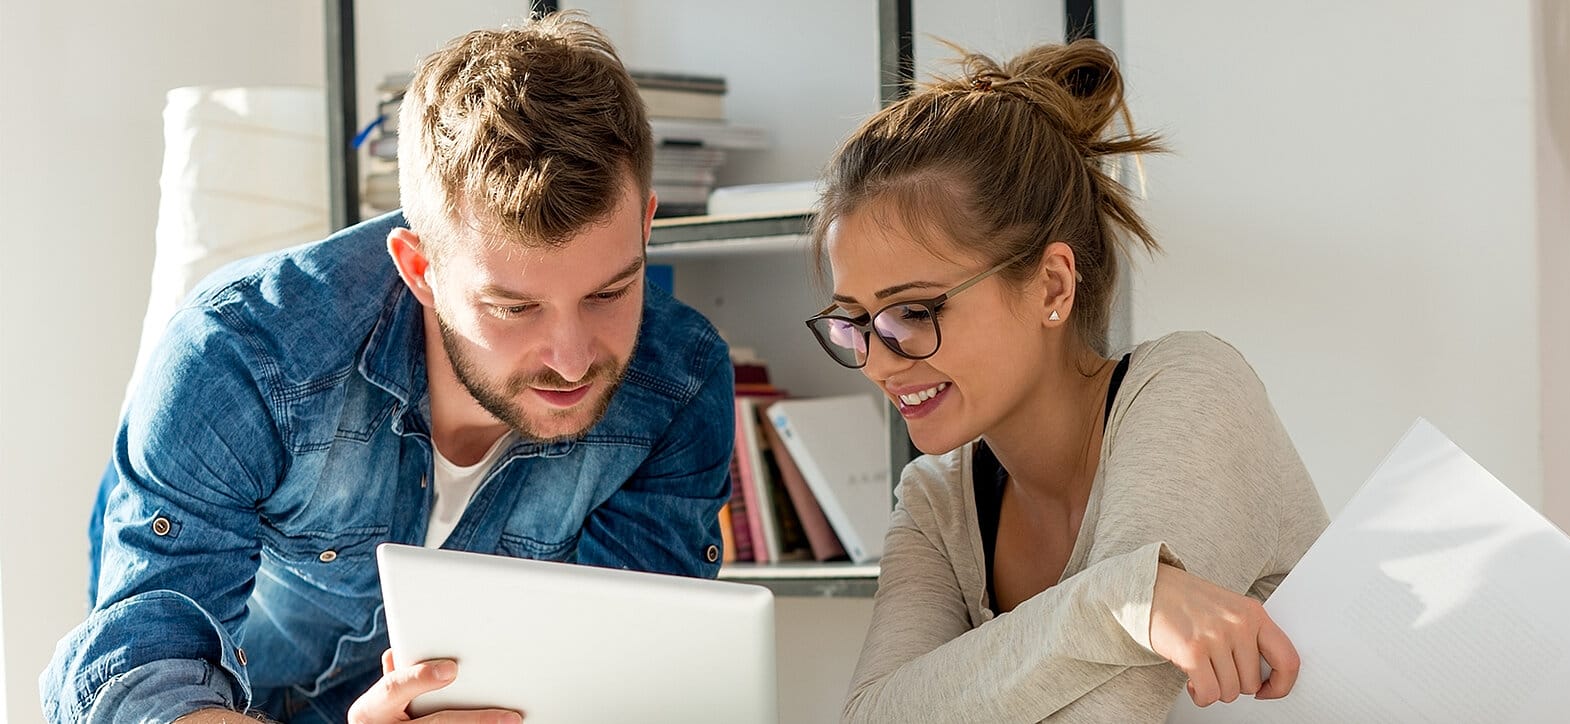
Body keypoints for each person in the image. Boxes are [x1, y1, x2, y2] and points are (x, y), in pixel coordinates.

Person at [41, 12, 735, 724]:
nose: (573, 357)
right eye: (514, 307)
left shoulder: (678, 383)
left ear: (646, 225)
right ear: (420, 268)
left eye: (609, 292)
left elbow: (634, 683)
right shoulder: (243, 356)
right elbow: (137, 677)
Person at [805, 39, 1332, 722]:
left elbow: (1107, 712)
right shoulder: (940, 504)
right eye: (854, 322)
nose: (879, 360)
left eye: (913, 312)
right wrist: (1118, 603)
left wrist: (1119, 604)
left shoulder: (1191, 392)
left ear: (1052, 284)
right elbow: (871, 716)